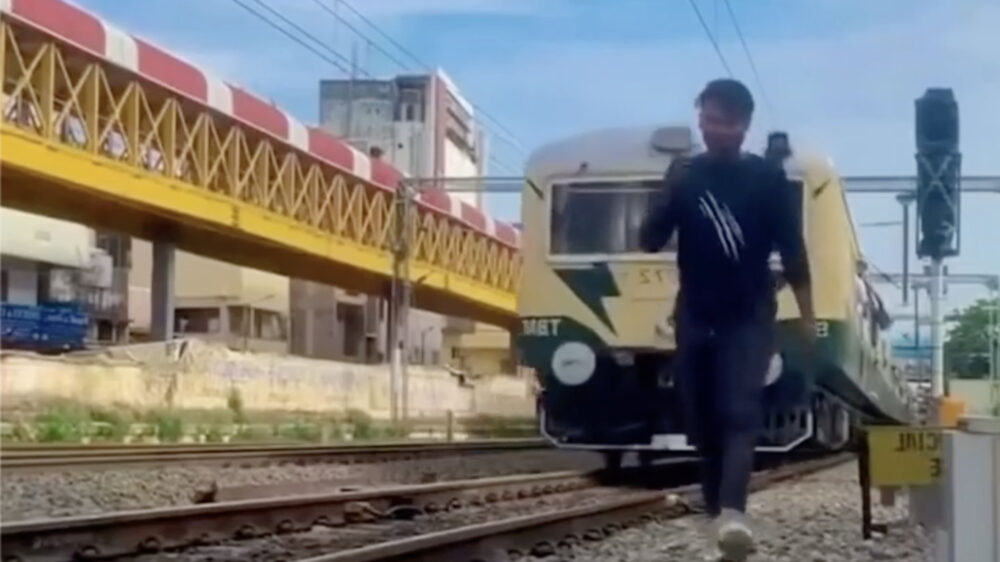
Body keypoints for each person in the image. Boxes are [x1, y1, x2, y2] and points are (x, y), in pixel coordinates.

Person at [639, 78, 816, 560]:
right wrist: (667, 193)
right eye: (708, 119)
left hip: (749, 315)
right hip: (695, 313)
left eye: (724, 122)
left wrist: (808, 316)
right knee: (701, 418)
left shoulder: (767, 179)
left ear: (743, 126)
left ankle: (734, 513)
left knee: (739, 410)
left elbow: (794, 252)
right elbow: (648, 240)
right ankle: (718, 510)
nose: (713, 129)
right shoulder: (686, 174)